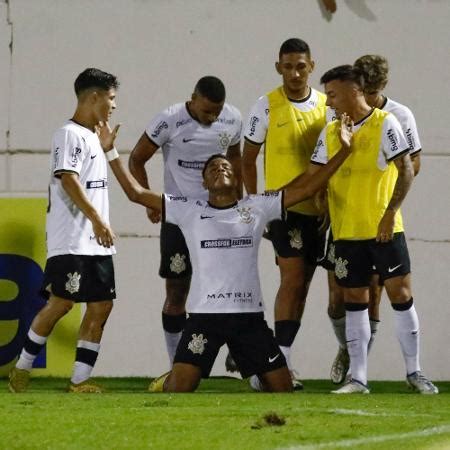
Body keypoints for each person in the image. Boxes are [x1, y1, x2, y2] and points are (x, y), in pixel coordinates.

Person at [100, 118, 353, 392]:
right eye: (212, 168)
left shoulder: (257, 207)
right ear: (205, 182)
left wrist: (344, 151)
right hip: (204, 316)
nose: (220, 168)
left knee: (283, 390)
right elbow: (136, 193)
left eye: (226, 166)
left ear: (236, 179)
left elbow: (307, 188)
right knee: (179, 390)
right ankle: (169, 379)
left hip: (248, 316)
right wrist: (110, 152)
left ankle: (256, 373)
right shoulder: (189, 209)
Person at [310, 64, 437, 394]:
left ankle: (415, 372)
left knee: (401, 295)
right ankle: (359, 378)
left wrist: (389, 213)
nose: (329, 103)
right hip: (346, 232)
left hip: (384, 230)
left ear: (354, 92)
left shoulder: (386, 123)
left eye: (333, 95)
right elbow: (315, 175)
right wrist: (322, 199)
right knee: (355, 301)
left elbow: (406, 169)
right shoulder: (330, 131)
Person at [8, 68, 120, 393]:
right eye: (111, 99)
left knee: (101, 306)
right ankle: (22, 369)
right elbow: (68, 179)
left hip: (96, 242)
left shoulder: (93, 138)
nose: (114, 106)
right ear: (94, 96)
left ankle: (79, 381)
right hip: (72, 238)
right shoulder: (68, 134)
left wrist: (107, 148)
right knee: (62, 303)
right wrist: (98, 220)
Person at [129, 76, 242, 368]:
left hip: (219, 216)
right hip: (179, 218)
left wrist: (238, 203)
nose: (212, 117)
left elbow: (236, 159)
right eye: (206, 111)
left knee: (229, 287)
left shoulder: (232, 119)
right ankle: (176, 363)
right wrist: (151, 205)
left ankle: (243, 350)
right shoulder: (169, 120)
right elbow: (137, 159)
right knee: (178, 290)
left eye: (216, 112)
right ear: (193, 98)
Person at [242, 38, 332, 388]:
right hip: (284, 209)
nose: (294, 73)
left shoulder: (328, 107)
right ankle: (275, 366)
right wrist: (256, 205)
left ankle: (281, 361)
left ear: (312, 66)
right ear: (278, 67)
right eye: (288, 66)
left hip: (319, 210)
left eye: (301, 66)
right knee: (291, 281)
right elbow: (247, 158)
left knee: (303, 286)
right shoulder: (266, 106)